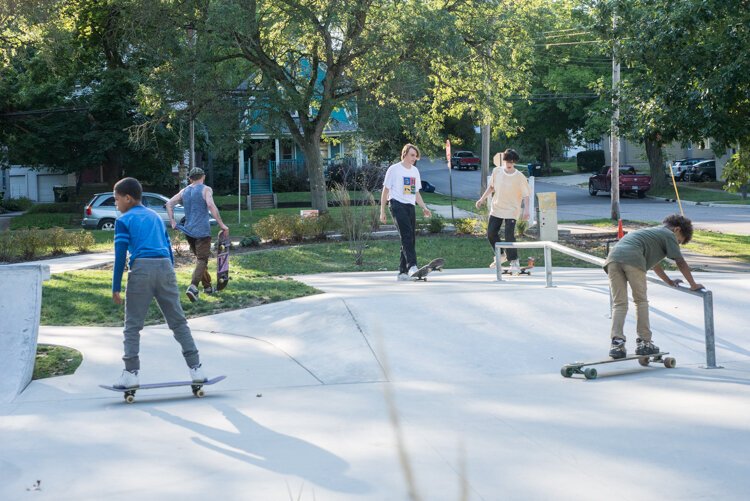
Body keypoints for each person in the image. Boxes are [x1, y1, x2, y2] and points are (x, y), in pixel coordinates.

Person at [111, 177, 206, 388]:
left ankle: (131, 373)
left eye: (116, 200)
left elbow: (119, 256)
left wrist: (115, 287)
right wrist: (169, 274)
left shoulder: (123, 221)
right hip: (165, 268)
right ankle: (197, 369)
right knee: (178, 322)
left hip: (141, 271)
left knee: (132, 326)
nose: (116, 204)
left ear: (128, 198)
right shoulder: (155, 216)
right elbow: (168, 249)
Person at [604, 214, 704, 359]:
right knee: (641, 301)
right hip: (633, 259)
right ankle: (645, 342)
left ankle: (617, 344)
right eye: (679, 241)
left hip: (613, 259)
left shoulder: (651, 233)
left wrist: (668, 281)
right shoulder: (668, 234)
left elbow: (655, 265)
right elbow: (680, 261)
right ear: (677, 229)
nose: (676, 243)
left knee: (619, 303)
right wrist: (693, 284)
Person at [167, 167, 229, 302]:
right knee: (202, 260)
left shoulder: (184, 191)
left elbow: (169, 203)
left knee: (201, 261)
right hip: (202, 232)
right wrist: (222, 225)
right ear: (203, 177)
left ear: (190, 178)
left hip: (189, 232)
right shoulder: (206, 189)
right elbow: (211, 206)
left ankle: (207, 287)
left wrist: (172, 222)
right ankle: (193, 287)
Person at [379, 143, 432, 280]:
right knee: (407, 235)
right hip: (396, 204)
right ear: (404, 154)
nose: (414, 158)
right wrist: (382, 211)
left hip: (410, 206)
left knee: (409, 237)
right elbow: (385, 190)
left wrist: (424, 207)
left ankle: (402, 272)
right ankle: (412, 266)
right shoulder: (394, 169)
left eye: (416, 156)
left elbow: (416, 193)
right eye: (412, 155)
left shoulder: (414, 171)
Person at [475, 149, 530, 275]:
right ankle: (501, 255)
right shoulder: (497, 171)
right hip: (497, 208)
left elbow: (526, 196)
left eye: (511, 162)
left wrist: (526, 210)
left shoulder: (520, 177)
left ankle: (514, 261)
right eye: (507, 161)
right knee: (490, 233)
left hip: (511, 210)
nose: (508, 164)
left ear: (514, 162)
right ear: (504, 160)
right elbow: (491, 187)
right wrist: (482, 199)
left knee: (509, 235)